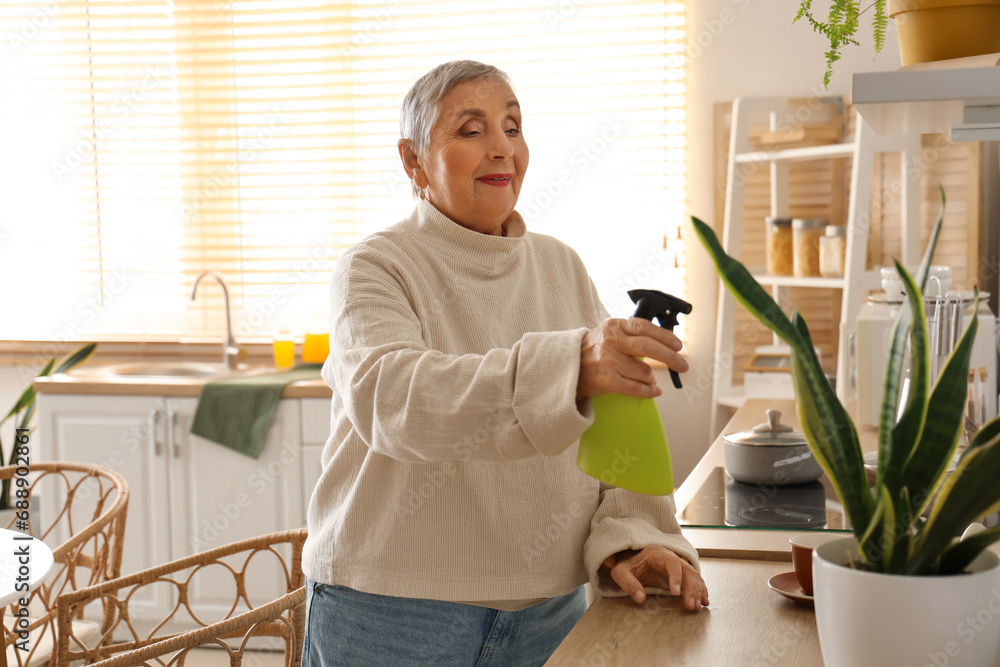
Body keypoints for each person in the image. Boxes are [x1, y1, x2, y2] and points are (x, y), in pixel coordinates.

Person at [302, 60, 709, 667]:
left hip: (551, 609)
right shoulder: (376, 267)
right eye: (471, 130)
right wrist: (570, 365)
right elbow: (393, 401)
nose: (502, 149)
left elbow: (619, 421)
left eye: (513, 128)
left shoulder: (560, 266)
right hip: (392, 616)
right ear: (413, 161)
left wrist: (634, 538)